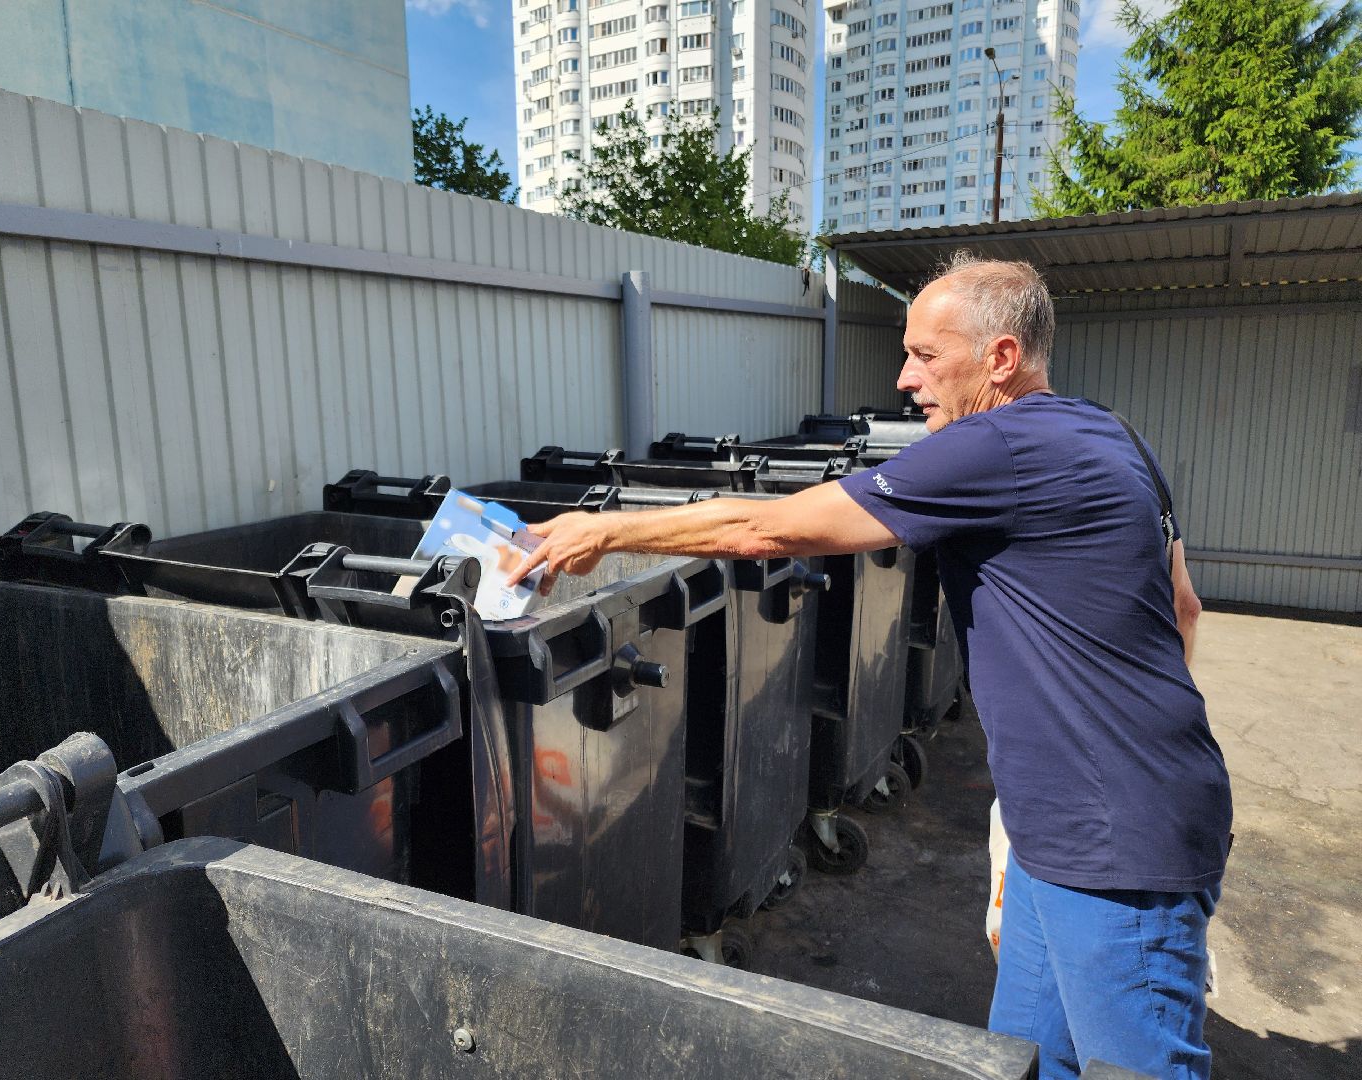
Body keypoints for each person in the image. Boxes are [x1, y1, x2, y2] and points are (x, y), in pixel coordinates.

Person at [506, 252, 1232, 1080]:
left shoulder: (995, 444)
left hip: (1115, 845)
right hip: (1065, 826)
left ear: (1000, 358)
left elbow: (766, 532)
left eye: (927, 354)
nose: (903, 376)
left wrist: (602, 532)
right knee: (1028, 1059)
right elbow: (1184, 608)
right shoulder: (1115, 435)